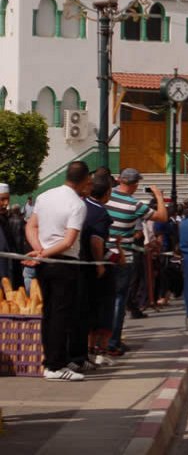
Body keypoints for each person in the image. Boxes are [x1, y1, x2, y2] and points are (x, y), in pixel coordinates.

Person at [25, 161, 92, 381]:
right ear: (85, 180)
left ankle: (55, 360)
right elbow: (68, 241)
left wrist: (39, 250)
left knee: (50, 313)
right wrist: (44, 253)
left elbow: (31, 226)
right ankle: (54, 365)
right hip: (64, 262)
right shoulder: (77, 204)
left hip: (45, 262)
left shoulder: (45, 196)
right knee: (61, 315)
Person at [105, 169, 167, 355]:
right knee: (119, 299)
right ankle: (113, 341)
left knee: (104, 299)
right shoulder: (134, 205)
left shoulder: (107, 197)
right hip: (123, 256)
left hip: (103, 254)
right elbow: (162, 217)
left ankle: (102, 340)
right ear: (134, 184)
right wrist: (158, 196)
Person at [72, 175, 113, 372]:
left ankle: (81, 354)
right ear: (107, 193)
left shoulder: (82, 204)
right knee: (87, 312)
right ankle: (81, 356)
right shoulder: (100, 212)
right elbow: (96, 241)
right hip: (88, 268)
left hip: (75, 262)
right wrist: (100, 264)